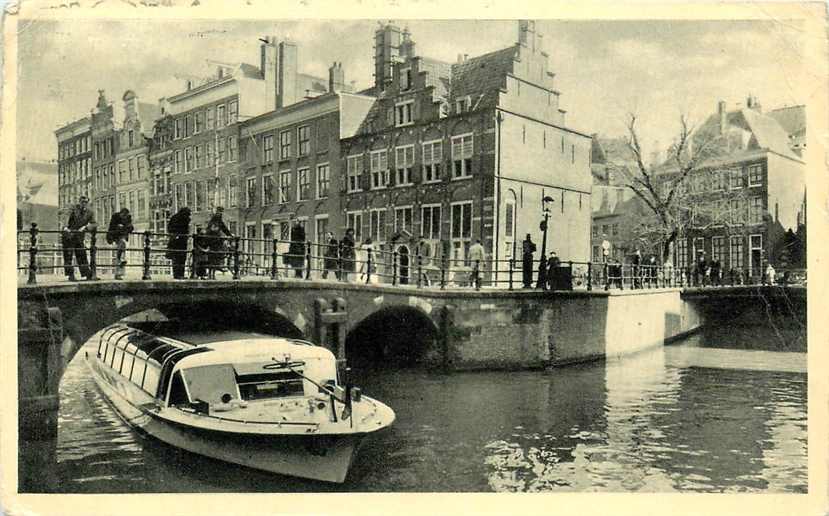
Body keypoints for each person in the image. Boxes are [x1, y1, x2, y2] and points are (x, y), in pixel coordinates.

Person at [62, 196, 97, 281]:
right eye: (82, 202)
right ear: (79, 202)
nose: (84, 204)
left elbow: (94, 224)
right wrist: (65, 227)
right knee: (68, 255)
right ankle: (71, 275)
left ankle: (86, 274)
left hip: (79, 236)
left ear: (87, 203)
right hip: (69, 235)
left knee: (82, 254)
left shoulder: (89, 212)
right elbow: (66, 219)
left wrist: (85, 227)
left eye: (85, 202)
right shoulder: (73, 209)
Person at [106, 207, 134, 280]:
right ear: (120, 214)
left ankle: (118, 273)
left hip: (123, 236)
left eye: (125, 216)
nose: (124, 217)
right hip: (116, 236)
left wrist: (125, 226)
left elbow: (131, 228)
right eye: (123, 216)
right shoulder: (115, 216)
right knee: (121, 249)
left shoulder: (128, 217)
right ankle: (120, 268)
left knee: (120, 251)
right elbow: (111, 227)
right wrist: (117, 227)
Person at [205, 206, 233, 279]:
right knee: (213, 257)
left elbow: (224, 228)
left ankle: (212, 274)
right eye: (219, 212)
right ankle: (211, 274)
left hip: (216, 242)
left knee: (215, 257)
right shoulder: (214, 221)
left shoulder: (218, 221)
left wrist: (229, 234)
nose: (220, 214)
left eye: (221, 212)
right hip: (212, 242)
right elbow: (211, 230)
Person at [166, 207, 191, 279]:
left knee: (176, 258)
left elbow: (169, 228)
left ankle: (177, 274)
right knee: (181, 257)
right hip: (180, 241)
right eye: (188, 214)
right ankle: (180, 274)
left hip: (176, 240)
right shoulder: (183, 219)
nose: (189, 216)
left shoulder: (175, 217)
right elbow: (184, 230)